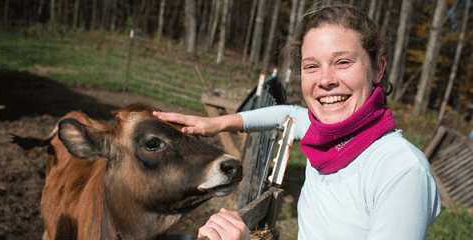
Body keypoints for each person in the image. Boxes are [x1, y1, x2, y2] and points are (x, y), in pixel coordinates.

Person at [154, 4, 441, 240]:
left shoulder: (401, 170)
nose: (325, 80)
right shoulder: (324, 135)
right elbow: (285, 114)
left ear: (378, 69)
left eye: (343, 62)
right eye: (311, 66)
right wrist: (213, 125)